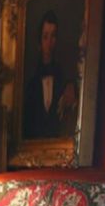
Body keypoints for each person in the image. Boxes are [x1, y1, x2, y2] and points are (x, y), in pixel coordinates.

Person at [23, 9, 76, 139]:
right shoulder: (31, 83)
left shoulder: (62, 78)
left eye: (53, 36)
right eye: (45, 36)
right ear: (39, 42)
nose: (49, 42)